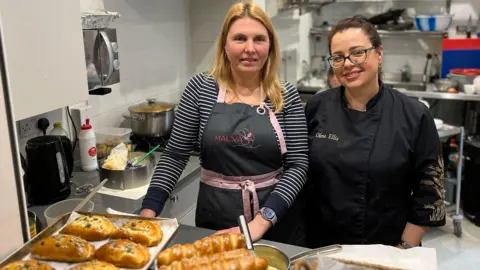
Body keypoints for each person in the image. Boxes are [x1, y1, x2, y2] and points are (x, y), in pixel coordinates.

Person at [140, 1, 308, 245]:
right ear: (225, 45)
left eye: (259, 39)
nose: (250, 48)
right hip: (215, 218)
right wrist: (149, 211)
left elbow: (298, 166)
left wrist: (260, 223)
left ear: (270, 46)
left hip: (275, 220)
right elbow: (175, 155)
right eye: (240, 38)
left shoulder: (285, 95)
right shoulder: (200, 89)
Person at [304, 18, 446, 249]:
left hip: (388, 248)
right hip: (322, 247)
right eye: (338, 57)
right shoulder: (316, 107)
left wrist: (402, 251)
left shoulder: (414, 115)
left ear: (379, 53)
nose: (348, 64)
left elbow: (429, 194)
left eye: (357, 53)